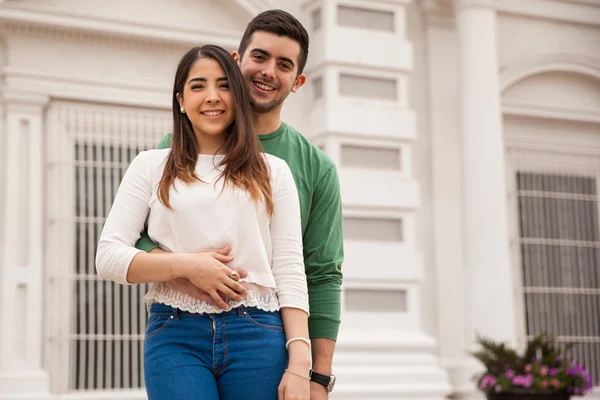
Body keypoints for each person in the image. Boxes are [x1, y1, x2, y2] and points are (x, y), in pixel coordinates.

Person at [136, 9, 344, 398]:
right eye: (260, 57)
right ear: (236, 60)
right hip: (180, 329)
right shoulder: (176, 149)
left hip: (265, 338)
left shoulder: (314, 168)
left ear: (297, 82)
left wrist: (317, 377)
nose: (268, 71)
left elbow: (322, 275)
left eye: (284, 65)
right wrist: (187, 272)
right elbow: (134, 239)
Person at [96, 44, 311, 400]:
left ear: (238, 95)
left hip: (258, 333)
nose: (212, 97)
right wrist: (187, 267)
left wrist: (300, 362)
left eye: (224, 85)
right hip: (175, 334)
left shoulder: (273, 170)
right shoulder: (150, 166)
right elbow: (108, 256)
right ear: (181, 100)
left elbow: (289, 267)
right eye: (198, 86)